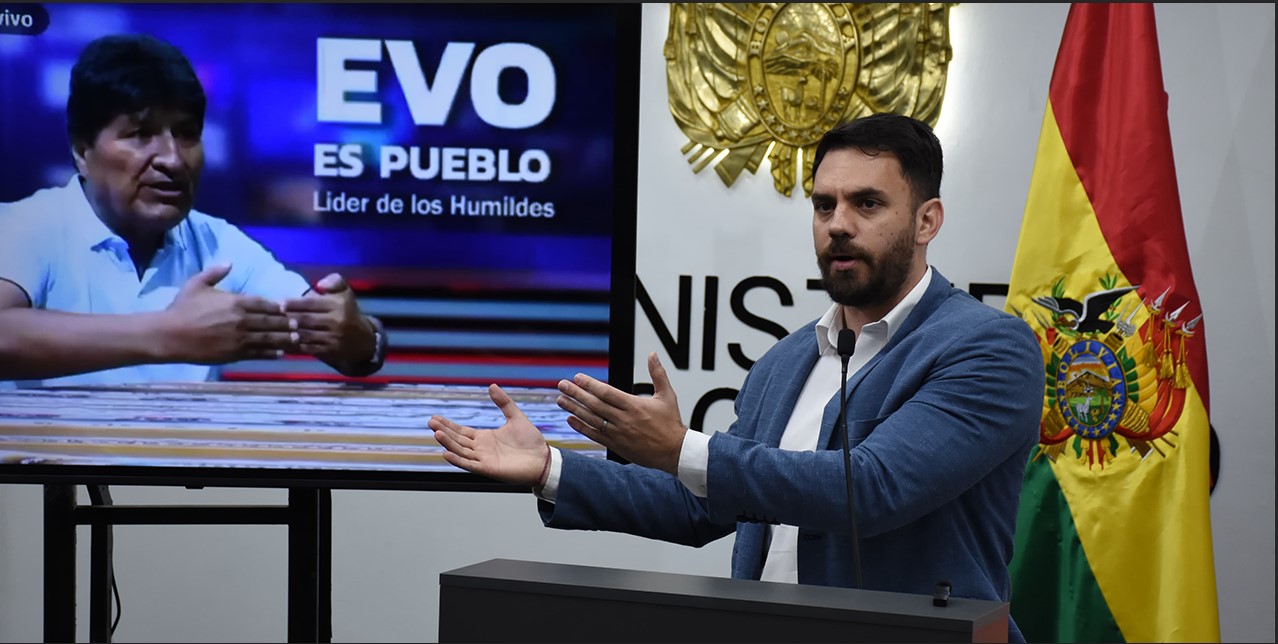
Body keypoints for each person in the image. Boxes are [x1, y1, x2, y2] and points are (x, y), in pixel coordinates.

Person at [428, 113, 1044, 642]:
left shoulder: (988, 348)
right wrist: (550, 468)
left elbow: (875, 488)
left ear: (927, 221)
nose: (838, 224)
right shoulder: (787, 361)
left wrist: (682, 448)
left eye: (868, 203)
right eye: (824, 204)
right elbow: (704, 506)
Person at [0, 33, 386, 386]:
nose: (171, 158)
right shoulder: (26, 226)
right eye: (140, 135)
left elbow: (355, 349)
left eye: (186, 134)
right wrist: (165, 335)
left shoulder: (219, 244)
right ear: (83, 151)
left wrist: (356, 336)